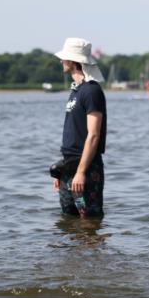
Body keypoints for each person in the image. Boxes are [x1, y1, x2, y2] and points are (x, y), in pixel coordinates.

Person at [53, 37, 107, 218]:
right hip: (69, 168)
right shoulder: (76, 90)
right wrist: (63, 173)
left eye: (64, 58)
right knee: (68, 220)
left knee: (88, 221)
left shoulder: (92, 91)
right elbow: (73, 133)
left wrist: (81, 172)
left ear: (73, 61)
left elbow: (93, 135)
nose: (61, 61)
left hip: (87, 168)